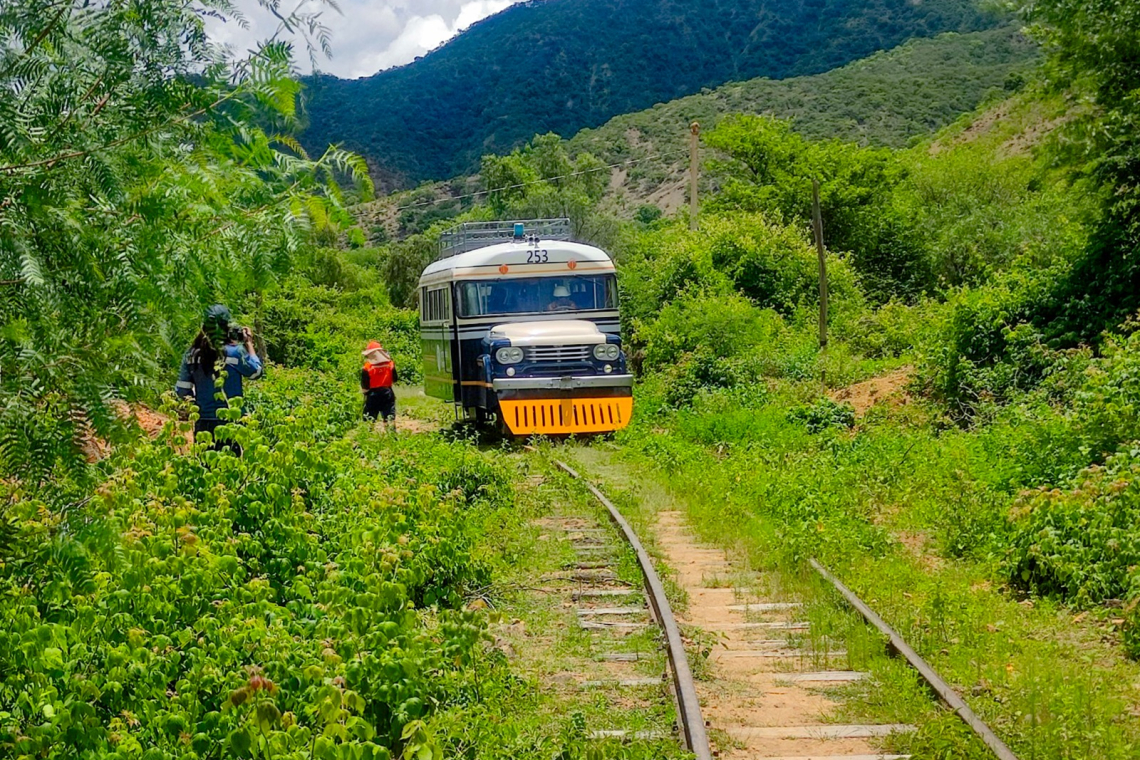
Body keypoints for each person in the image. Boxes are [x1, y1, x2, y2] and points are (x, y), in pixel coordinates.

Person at [176, 305, 263, 452]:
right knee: (230, 468)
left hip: (203, 422)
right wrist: (248, 343)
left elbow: (182, 389)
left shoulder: (192, 354)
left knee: (206, 468)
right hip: (231, 420)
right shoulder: (235, 352)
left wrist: (196, 406)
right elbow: (256, 372)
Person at [361, 340, 398, 432]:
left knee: (369, 416)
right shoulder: (390, 364)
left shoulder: (367, 367)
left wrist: (365, 394)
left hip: (373, 394)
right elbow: (395, 379)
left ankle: (367, 435)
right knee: (389, 415)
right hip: (387, 393)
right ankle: (391, 436)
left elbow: (365, 385)